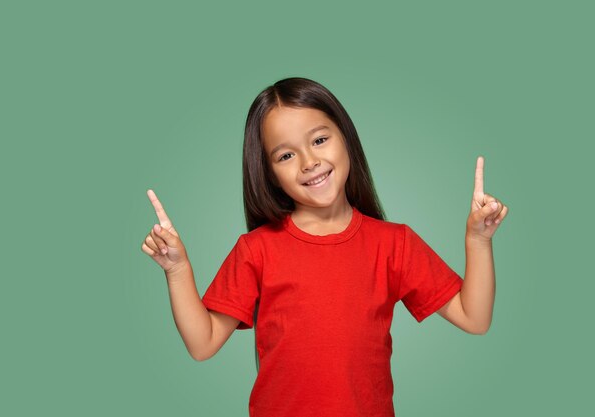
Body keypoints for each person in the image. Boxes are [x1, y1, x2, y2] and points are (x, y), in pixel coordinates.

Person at [141, 77, 508, 417]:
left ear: (346, 136)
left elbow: (473, 318)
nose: (309, 162)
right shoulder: (257, 250)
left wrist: (478, 240)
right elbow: (202, 344)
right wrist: (177, 270)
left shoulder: (393, 243)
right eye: (286, 155)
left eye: (319, 140)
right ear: (268, 173)